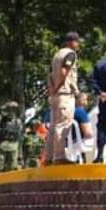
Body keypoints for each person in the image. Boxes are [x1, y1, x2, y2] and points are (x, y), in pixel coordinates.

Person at [46, 32, 82, 164]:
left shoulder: (56, 55)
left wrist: (51, 90)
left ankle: (49, 157)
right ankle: (59, 157)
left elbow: (49, 75)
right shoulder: (70, 54)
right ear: (71, 41)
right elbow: (63, 72)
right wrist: (57, 87)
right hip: (64, 94)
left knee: (53, 127)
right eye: (76, 41)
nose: (78, 44)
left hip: (55, 96)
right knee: (63, 125)